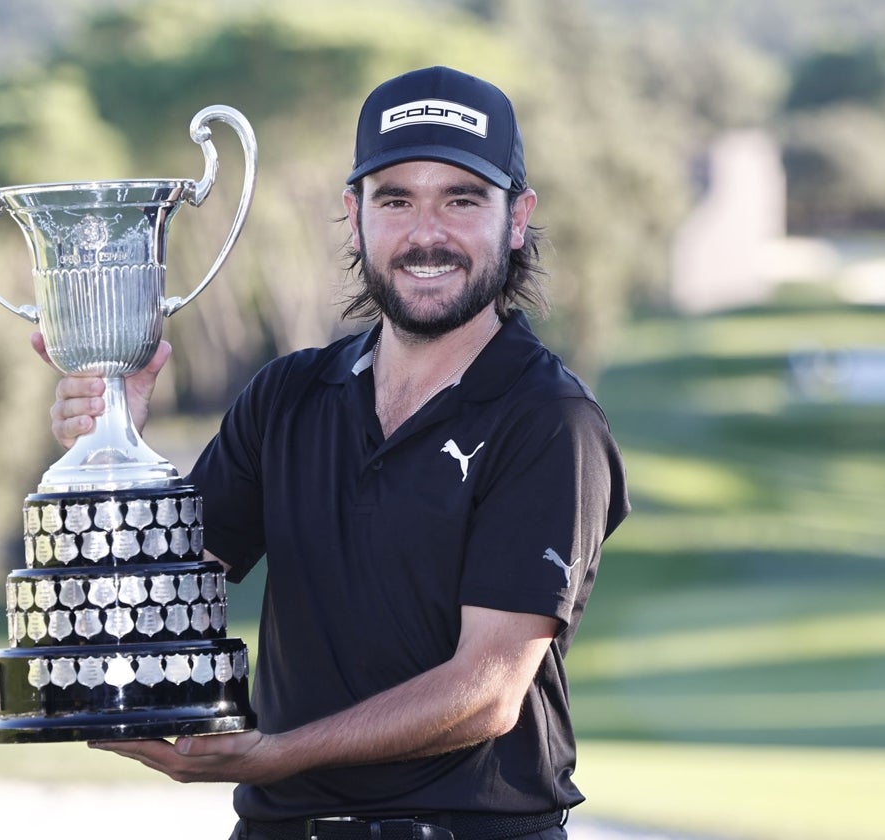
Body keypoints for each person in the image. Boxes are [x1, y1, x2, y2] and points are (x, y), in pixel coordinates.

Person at [38, 66, 629, 840]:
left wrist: (271, 755)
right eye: (396, 200)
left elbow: (487, 692)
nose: (427, 234)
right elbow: (162, 601)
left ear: (517, 218)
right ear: (354, 217)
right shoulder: (287, 395)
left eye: (462, 199)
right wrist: (114, 449)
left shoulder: (549, 419)